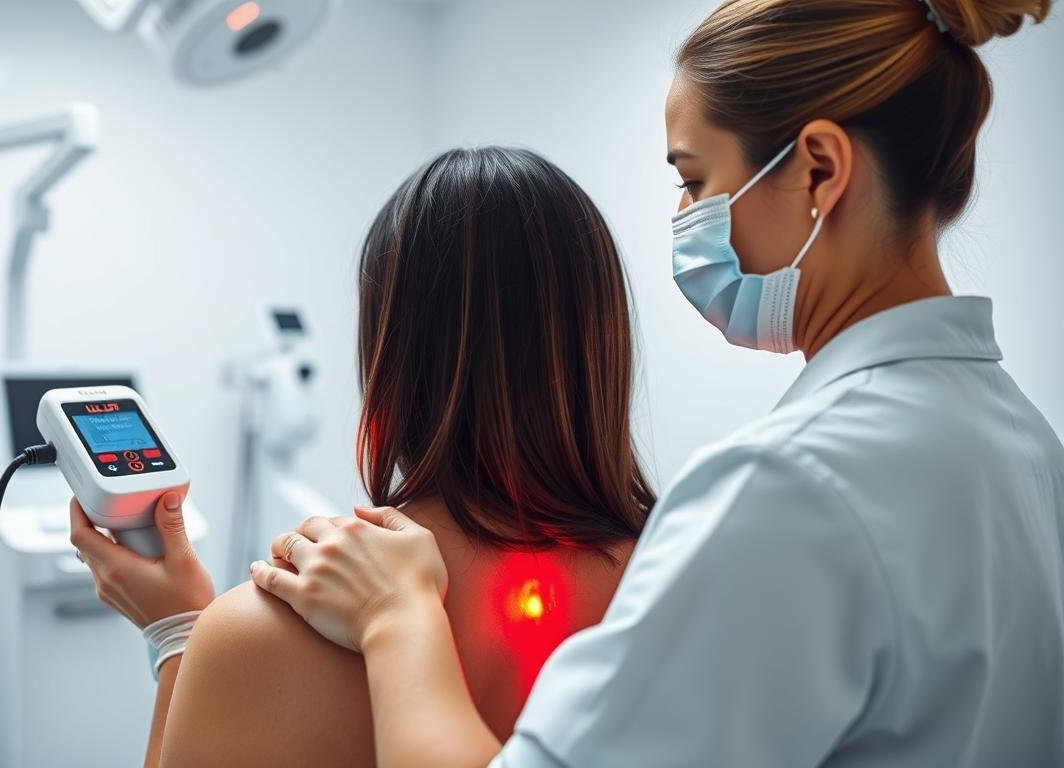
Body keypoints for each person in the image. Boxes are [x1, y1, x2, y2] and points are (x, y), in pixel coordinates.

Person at [245, 0, 1064, 766]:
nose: (684, 219)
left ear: (819, 171)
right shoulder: (1026, 447)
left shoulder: (787, 486)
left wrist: (398, 618)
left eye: (696, 181)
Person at [70, 147, 657, 767]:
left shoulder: (252, 634)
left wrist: (178, 634)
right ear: (602, 343)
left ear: (388, 356)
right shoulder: (676, 583)